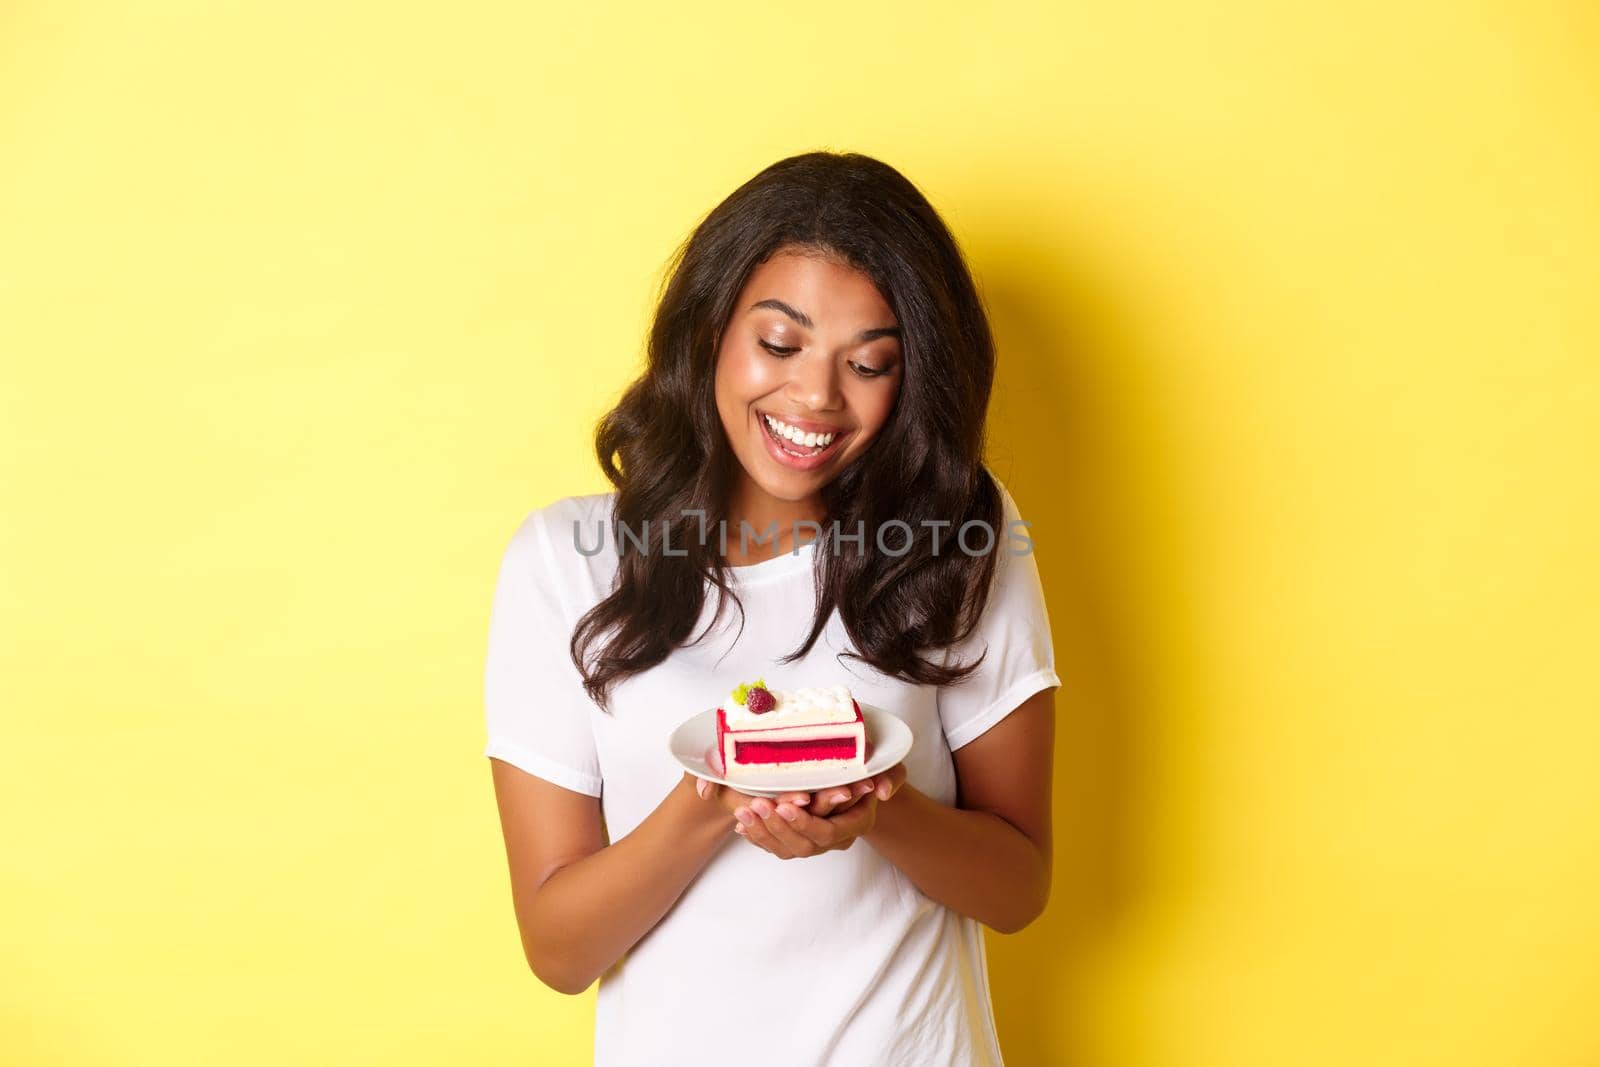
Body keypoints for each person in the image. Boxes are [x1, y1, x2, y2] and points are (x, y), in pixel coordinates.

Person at [483, 150, 1061, 1066]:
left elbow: (1019, 884)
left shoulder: (959, 530)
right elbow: (559, 950)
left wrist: (880, 806)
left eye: (867, 363)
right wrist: (715, 797)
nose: (815, 398)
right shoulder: (565, 563)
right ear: (711, 328)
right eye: (780, 344)